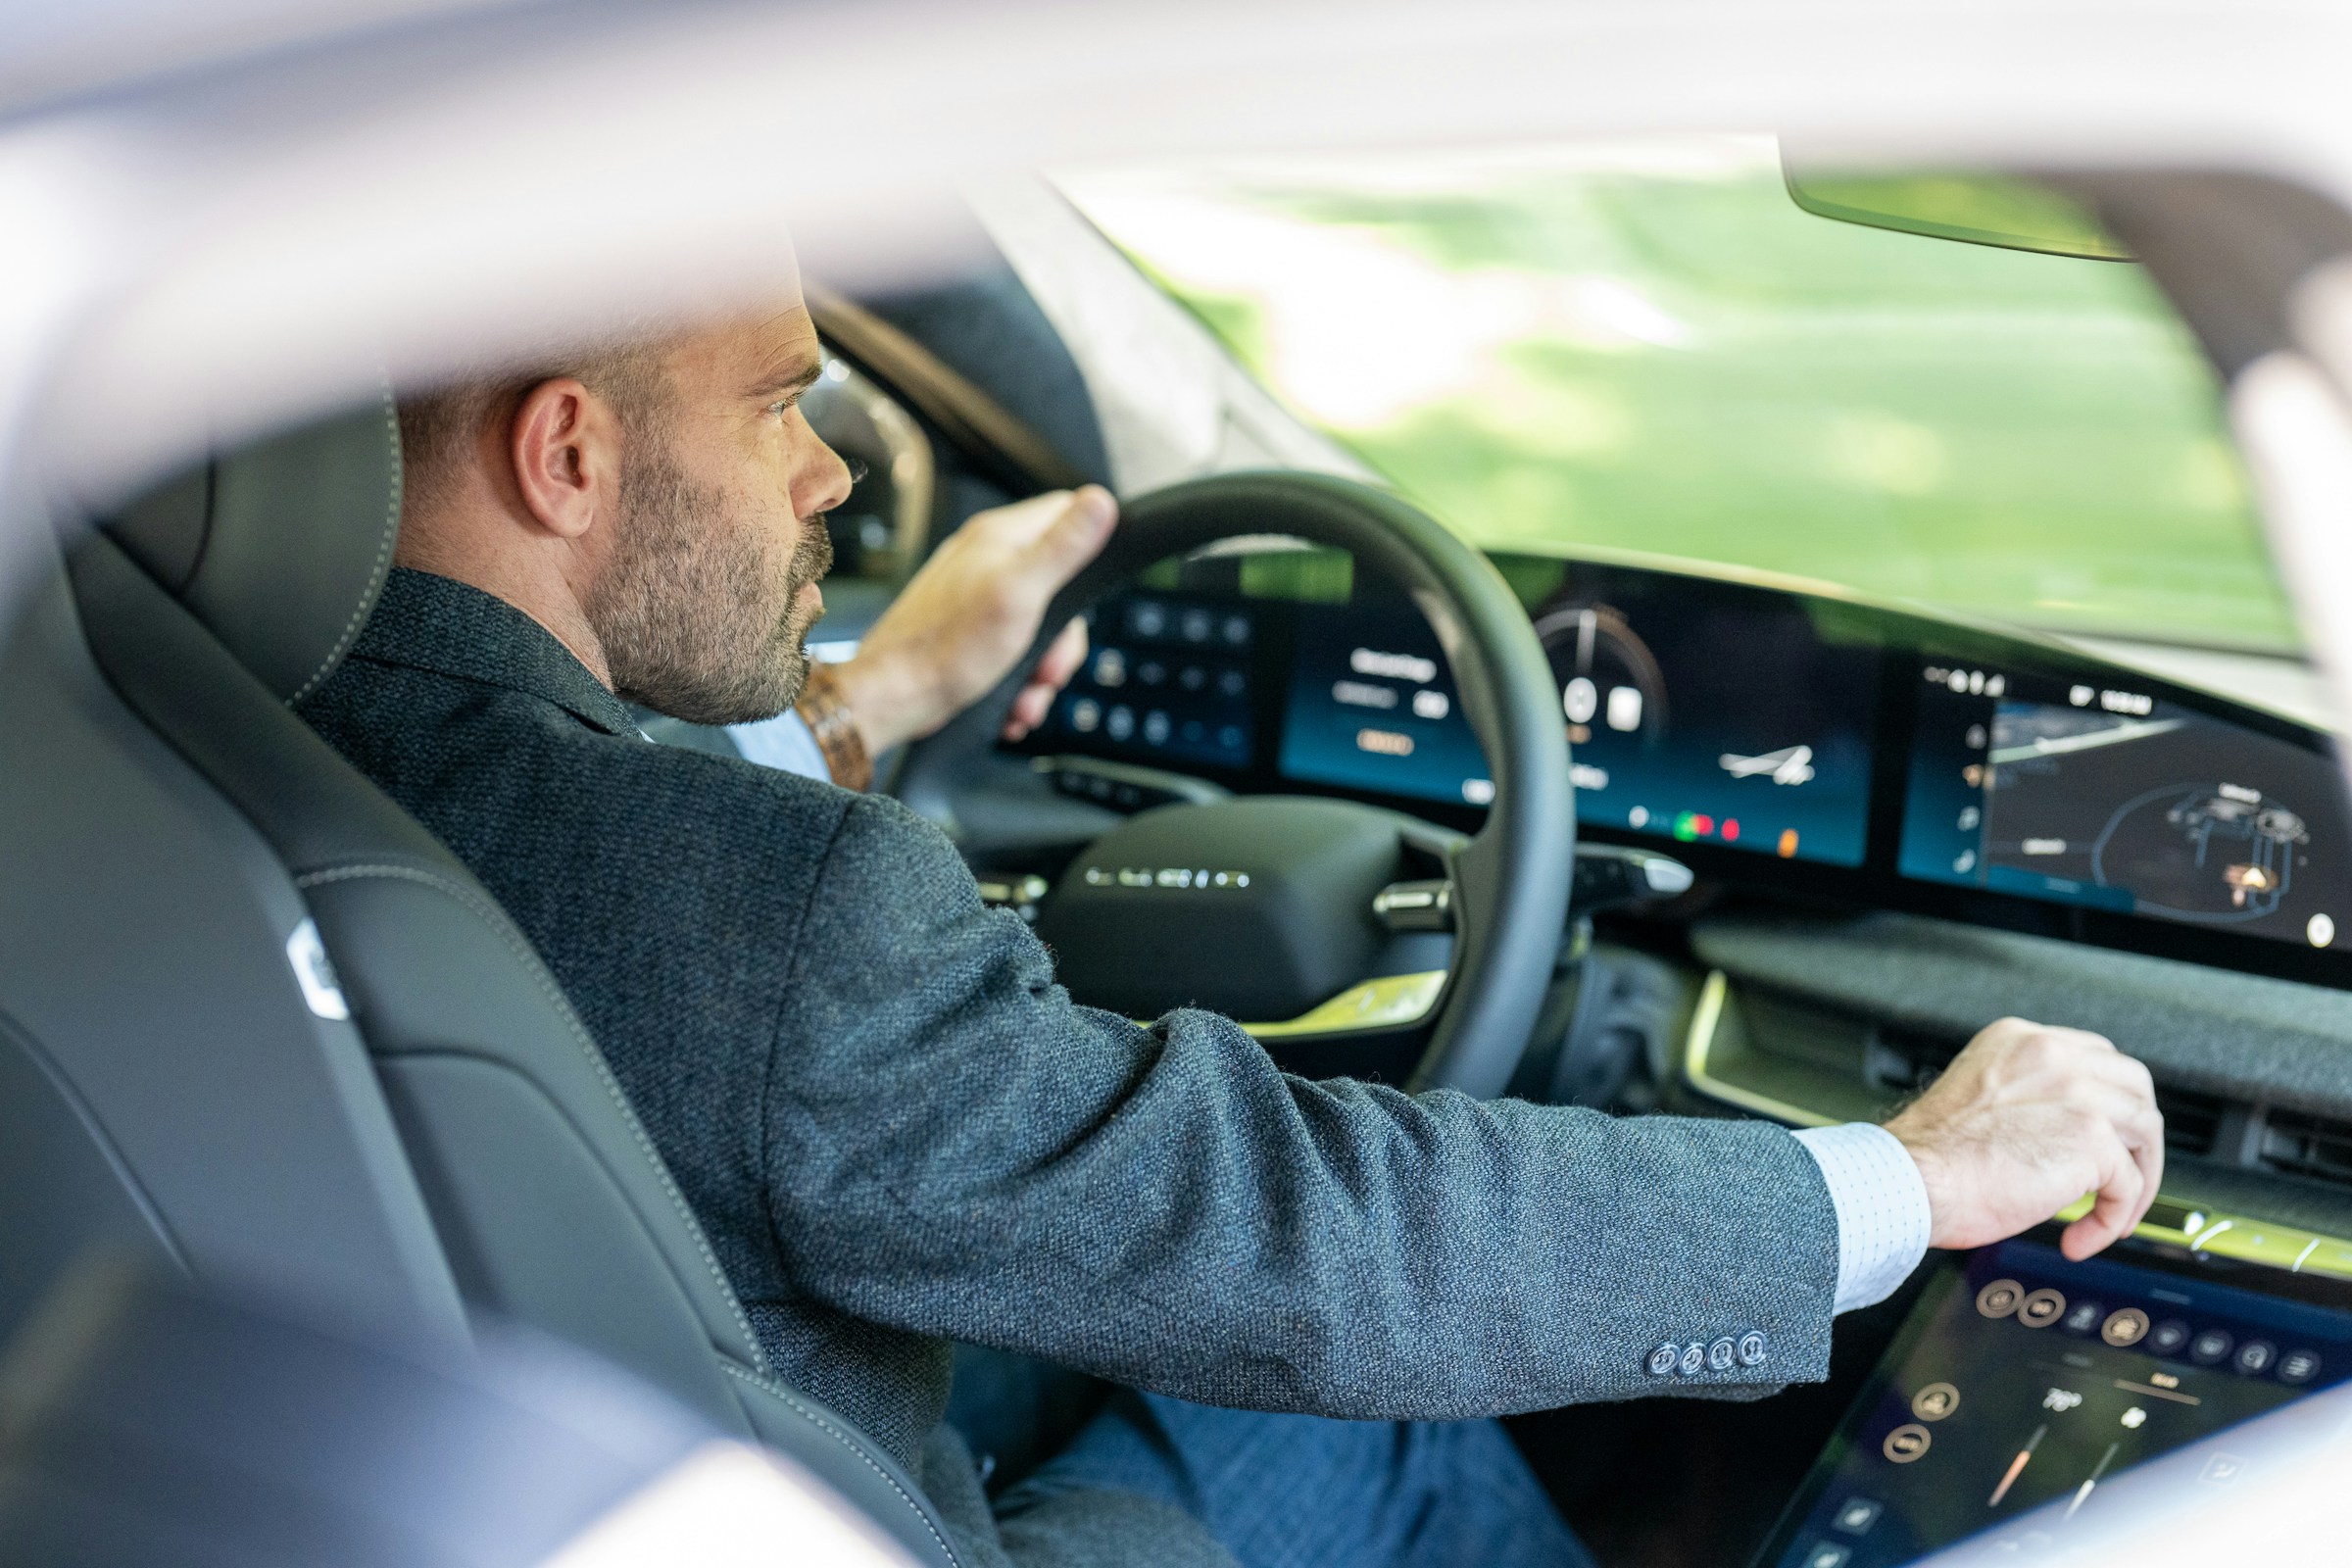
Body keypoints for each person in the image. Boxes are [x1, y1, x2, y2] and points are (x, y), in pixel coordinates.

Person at [297, 282, 2166, 1568]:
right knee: (1371, 1411)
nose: (837, 474)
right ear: (566, 457)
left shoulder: (193, 739)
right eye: (786, 403)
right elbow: (1322, 1245)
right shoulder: (786, 909)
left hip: (508, 1456)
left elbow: (653, 947)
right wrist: (1909, 1181)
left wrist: (877, 703)